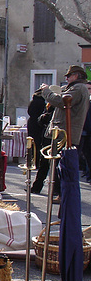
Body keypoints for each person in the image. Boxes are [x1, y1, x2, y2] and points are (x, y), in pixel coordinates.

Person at [40, 65, 90, 201]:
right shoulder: (75, 88)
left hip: (66, 134)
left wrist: (46, 91)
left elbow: (61, 101)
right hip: (63, 133)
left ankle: (63, 195)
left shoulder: (78, 88)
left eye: (69, 76)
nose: (66, 78)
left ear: (77, 76)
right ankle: (61, 194)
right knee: (58, 166)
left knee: (64, 167)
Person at [27, 90, 52, 194]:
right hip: (39, 127)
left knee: (43, 159)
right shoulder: (42, 103)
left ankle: (37, 186)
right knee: (45, 160)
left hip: (34, 125)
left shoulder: (33, 102)